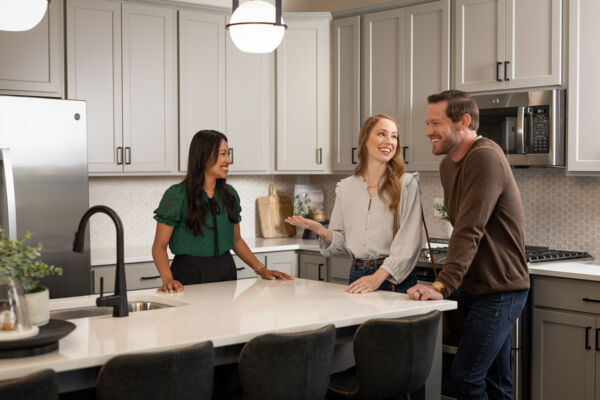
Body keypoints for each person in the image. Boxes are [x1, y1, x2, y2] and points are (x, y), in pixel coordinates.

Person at [407, 90, 529, 399]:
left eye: (435, 123)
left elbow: (470, 229)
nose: (427, 132)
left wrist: (442, 285)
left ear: (464, 121)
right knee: (496, 382)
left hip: (501, 288)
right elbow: (460, 224)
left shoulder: (485, 156)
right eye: (427, 123)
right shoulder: (448, 166)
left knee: (466, 376)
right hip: (476, 286)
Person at [286, 114, 422, 294]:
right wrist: (322, 231)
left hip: (393, 279)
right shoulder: (345, 187)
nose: (390, 141)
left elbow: (408, 243)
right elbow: (342, 243)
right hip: (357, 275)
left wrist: (377, 278)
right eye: (382, 134)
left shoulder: (406, 184)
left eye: (394, 136)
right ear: (365, 140)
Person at [152, 130, 292, 293]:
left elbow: (236, 241)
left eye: (228, 154)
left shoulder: (230, 194)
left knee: (227, 318)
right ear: (204, 156)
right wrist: (168, 279)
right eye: (223, 154)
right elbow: (159, 246)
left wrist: (262, 270)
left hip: (226, 271)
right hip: (188, 273)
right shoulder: (177, 195)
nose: (229, 160)